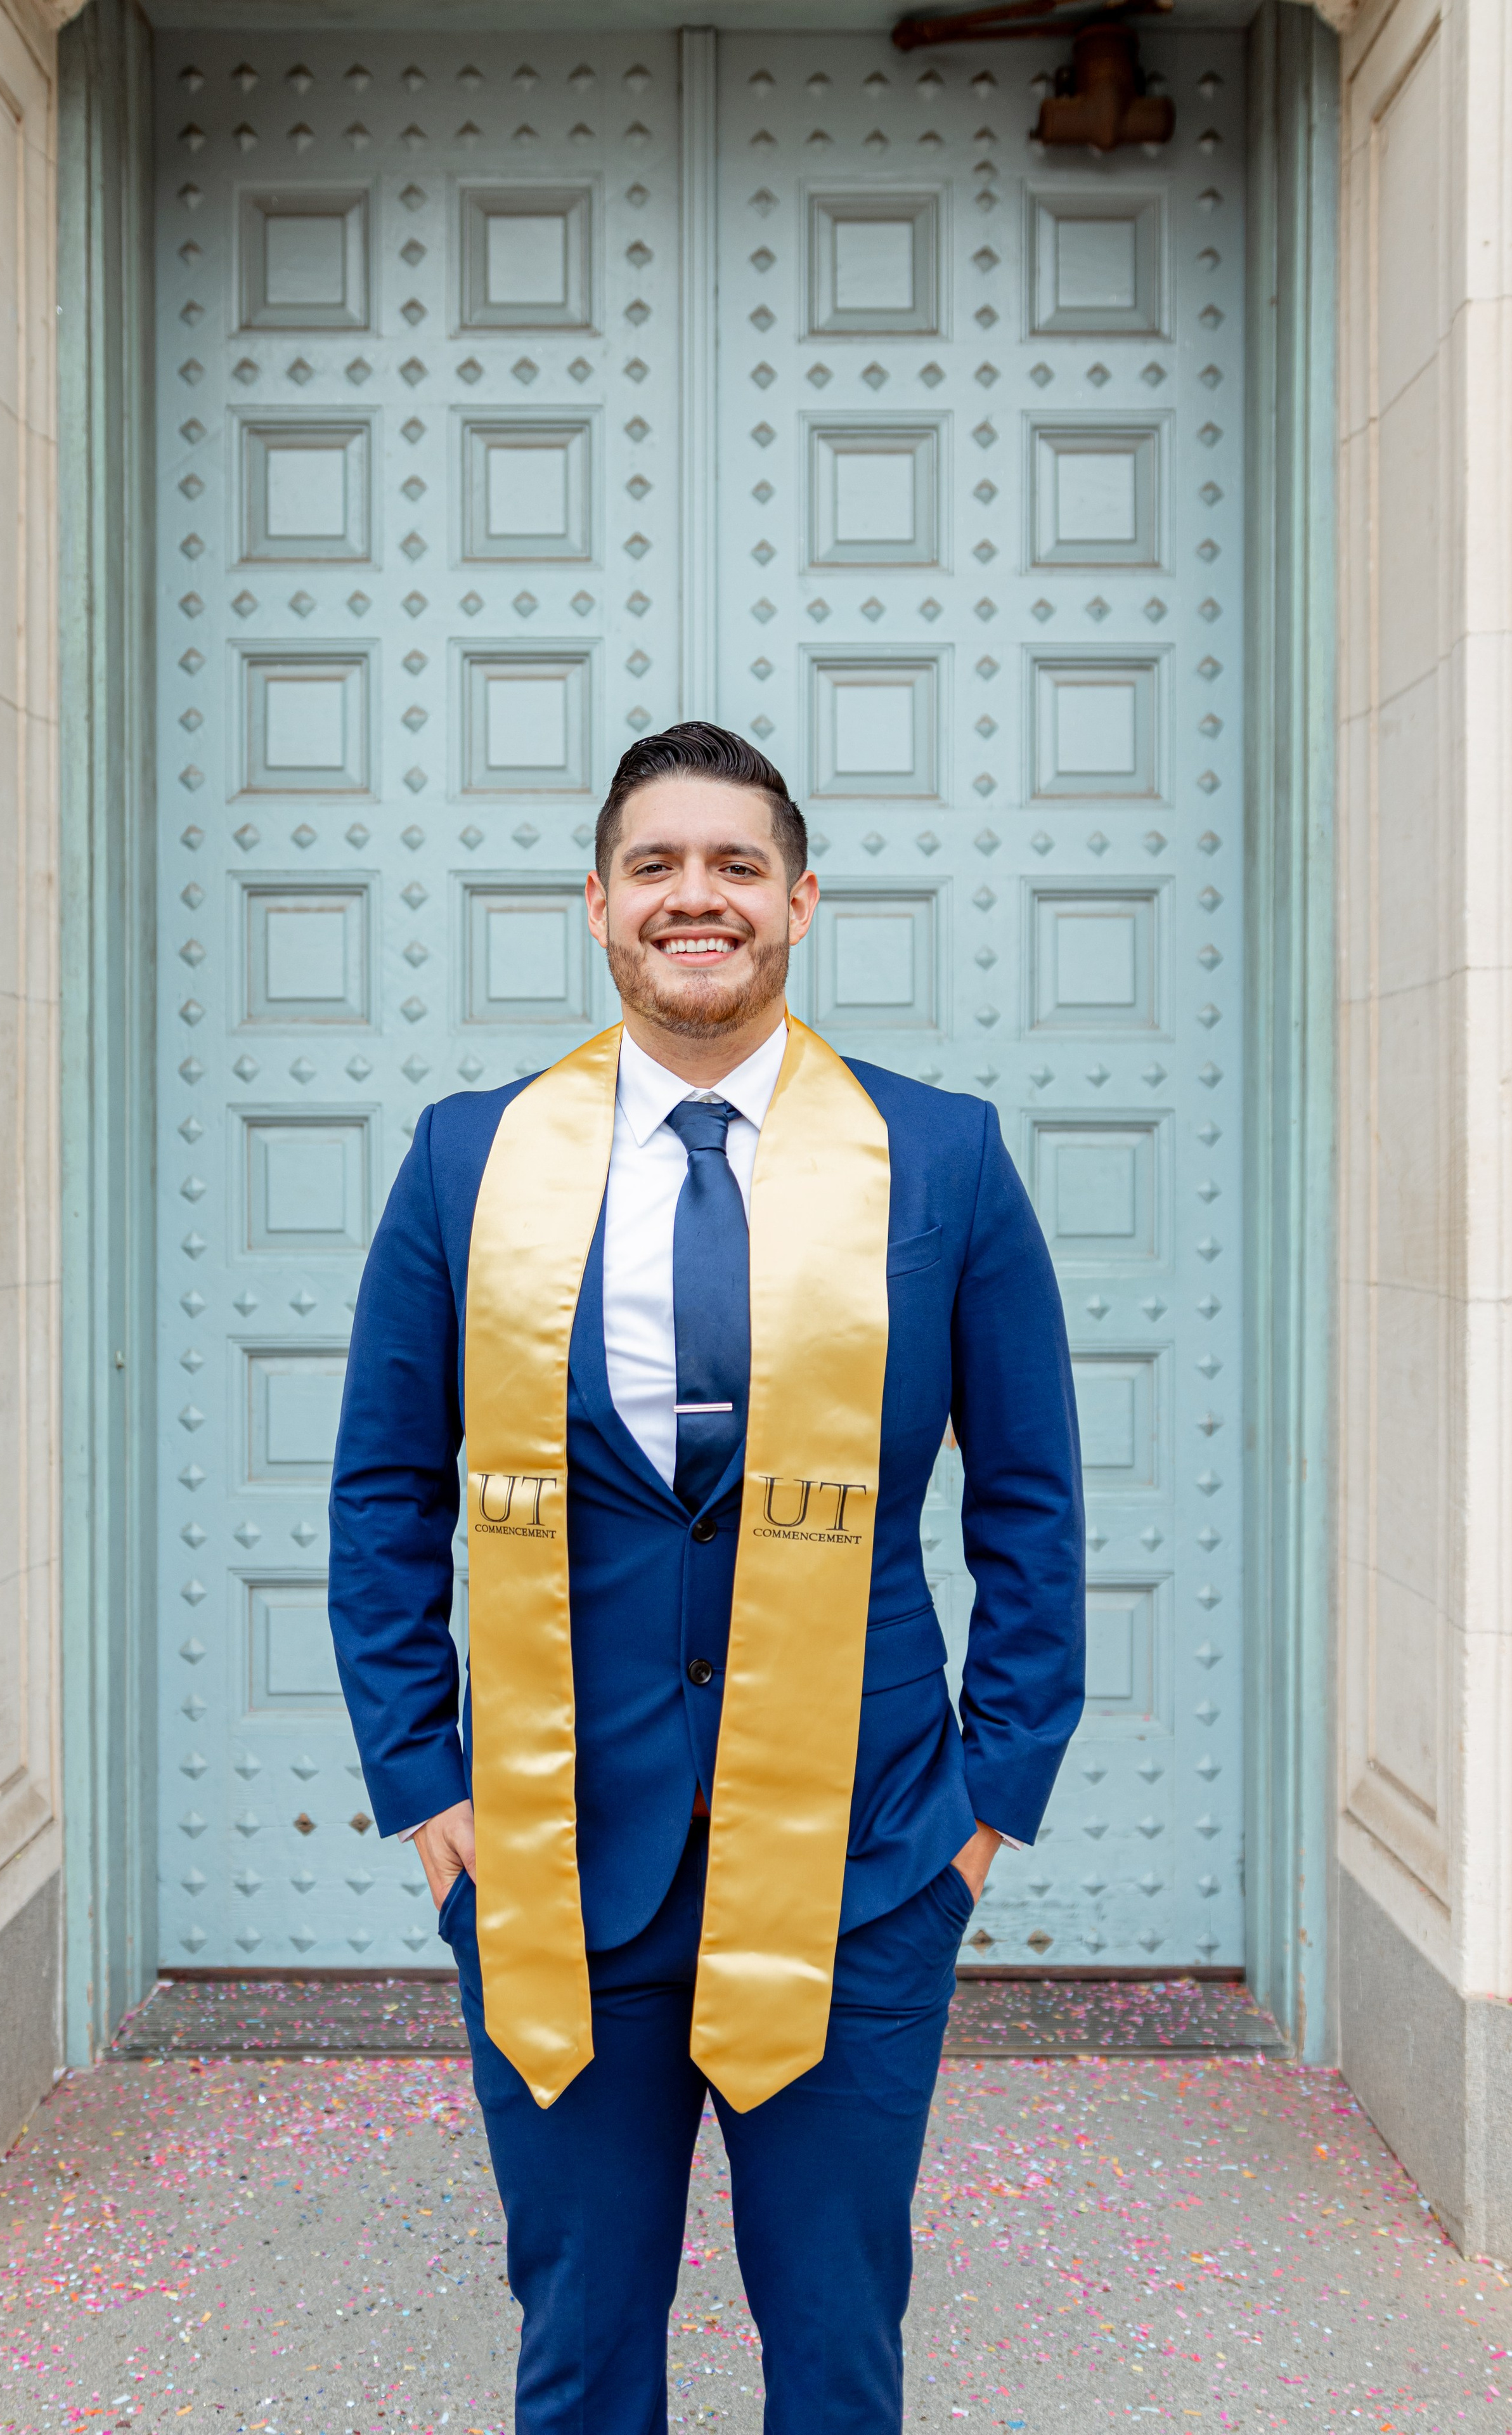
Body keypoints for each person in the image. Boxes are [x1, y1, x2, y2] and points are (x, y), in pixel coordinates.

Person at [328, 721, 1085, 2435]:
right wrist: (427, 1793)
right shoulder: (470, 1161)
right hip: (550, 1866)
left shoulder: (941, 1161)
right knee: (583, 2353)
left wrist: (984, 1813)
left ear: (799, 901)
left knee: (835, 2352)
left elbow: (1031, 1504)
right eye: (658, 865)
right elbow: (382, 1495)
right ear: (598, 904)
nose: (698, 897)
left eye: (736, 865)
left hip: (864, 1864)